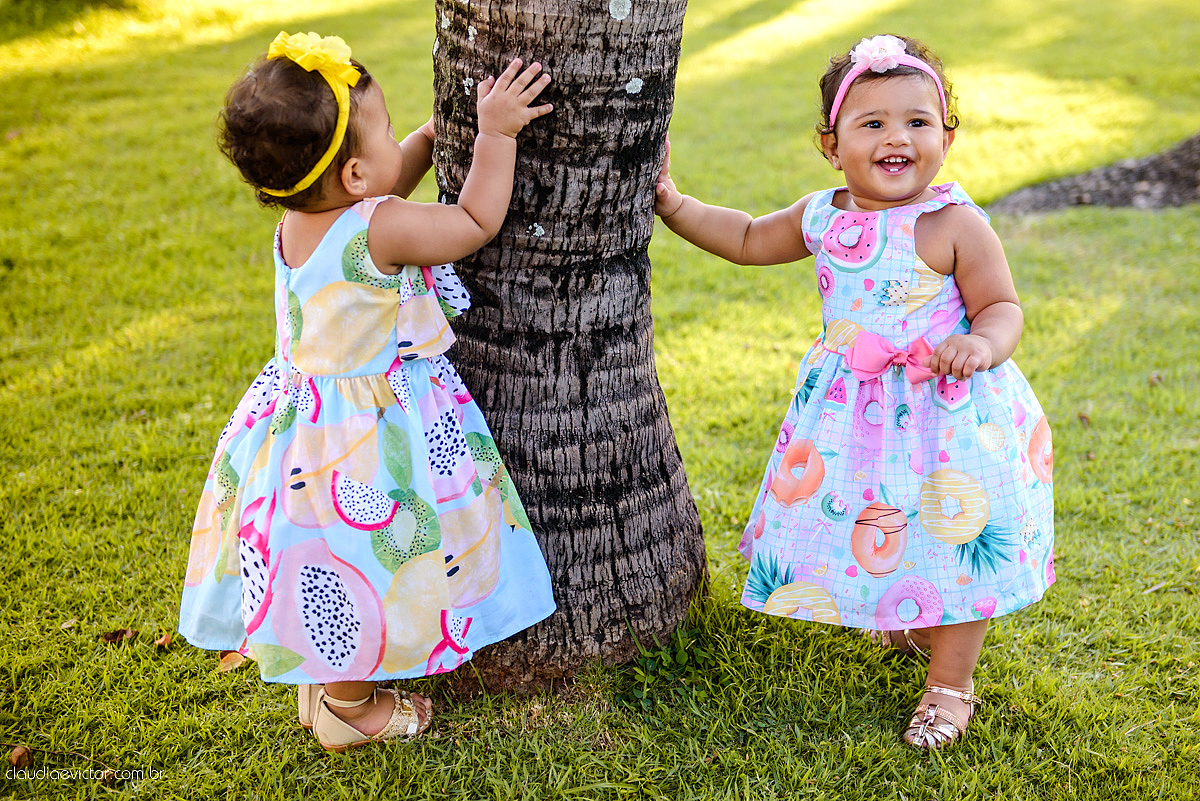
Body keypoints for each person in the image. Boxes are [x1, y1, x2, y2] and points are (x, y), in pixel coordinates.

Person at [654, 34, 1054, 749]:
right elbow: (746, 237)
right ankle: (904, 609)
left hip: (948, 411)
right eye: (872, 124)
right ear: (831, 145)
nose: (896, 137)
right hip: (853, 415)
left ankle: (949, 683)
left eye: (917, 121)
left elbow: (1003, 306)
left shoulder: (954, 223)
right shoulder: (823, 215)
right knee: (880, 519)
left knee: (955, 540)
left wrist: (981, 343)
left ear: (947, 137)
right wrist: (675, 204)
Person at [177, 32, 557, 752]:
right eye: (386, 129)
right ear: (354, 173)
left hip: (305, 424)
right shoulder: (381, 226)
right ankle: (347, 710)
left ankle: (324, 687)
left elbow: (381, 185)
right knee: (367, 564)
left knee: (327, 557)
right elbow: (474, 221)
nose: (401, 139)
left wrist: (425, 133)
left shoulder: (300, 222)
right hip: (367, 439)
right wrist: (495, 134)